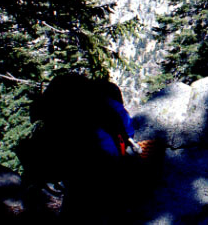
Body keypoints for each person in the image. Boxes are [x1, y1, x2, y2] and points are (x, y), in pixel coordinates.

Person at [19, 73, 142, 223]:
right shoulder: (108, 103)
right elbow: (128, 132)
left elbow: (52, 141)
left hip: (78, 168)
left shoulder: (62, 107)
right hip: (109, 165)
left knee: (77, 205)